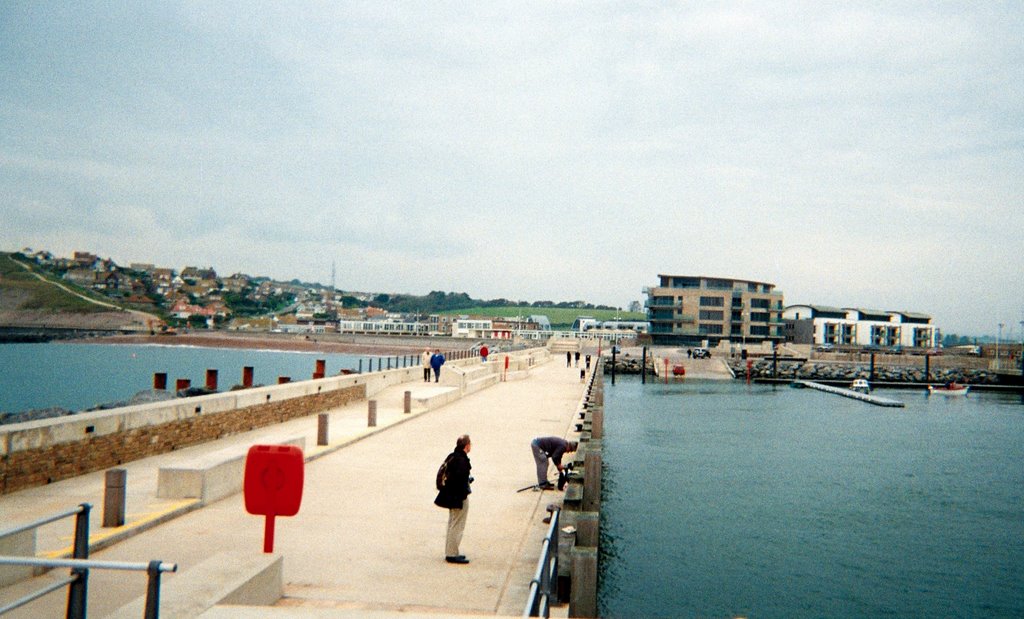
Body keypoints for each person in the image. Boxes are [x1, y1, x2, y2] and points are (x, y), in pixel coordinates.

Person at [434, 434, 473, 564]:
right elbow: (459, 480)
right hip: (458, 497)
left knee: (452, 523)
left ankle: (451, 551)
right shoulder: (462, 460)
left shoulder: (452, 456)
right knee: (457, 525)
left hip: (450, 495)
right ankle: (451, 553)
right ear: (467, 446)